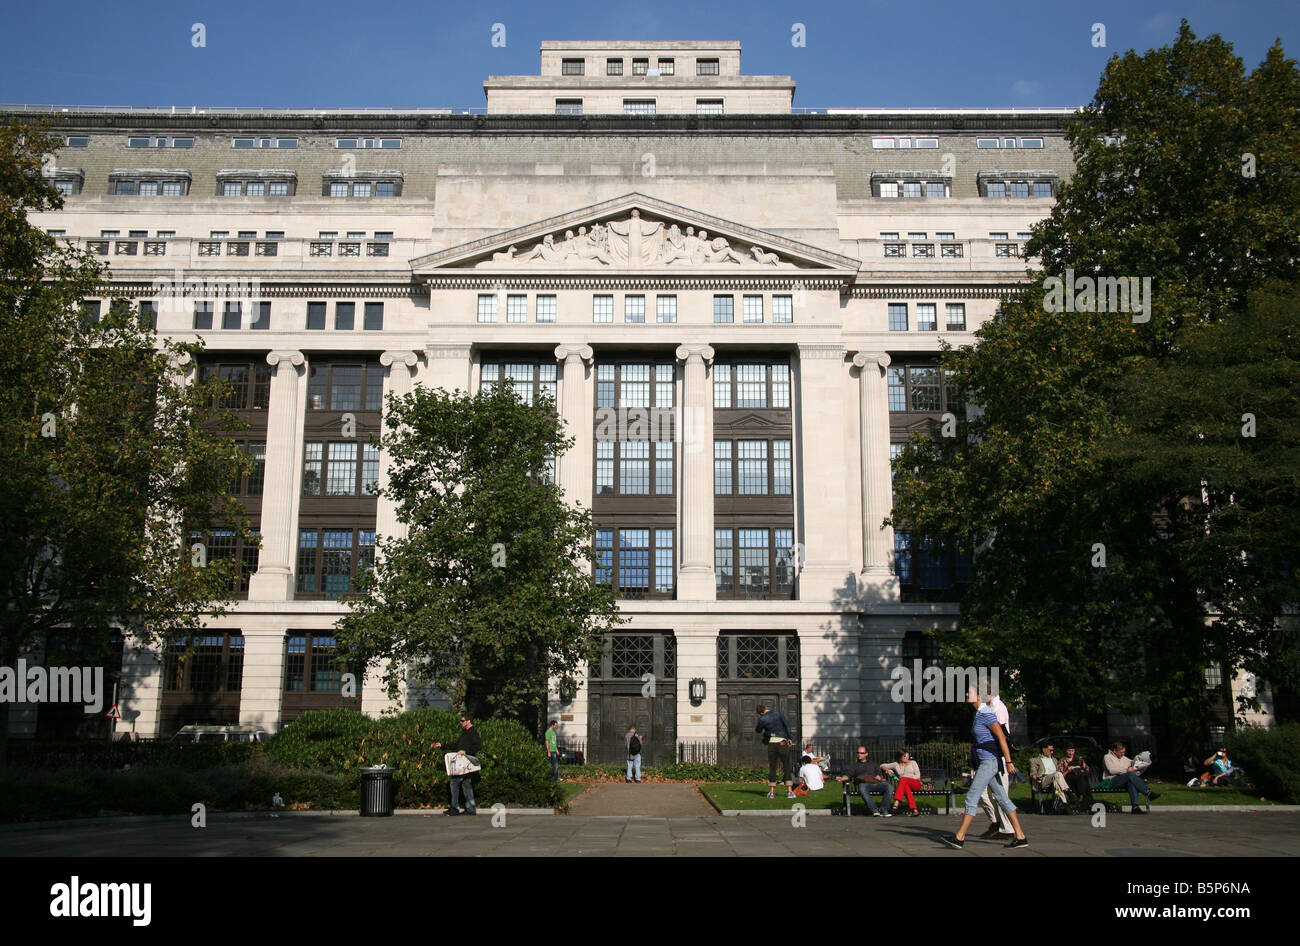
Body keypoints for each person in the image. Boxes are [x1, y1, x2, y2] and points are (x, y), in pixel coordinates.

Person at [943, 686, 1029, 849]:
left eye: (970, 692)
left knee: (972, 796)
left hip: (989, 762)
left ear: (979, 696)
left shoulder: (986, 713)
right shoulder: (979, 713)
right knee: (1002, 798)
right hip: (987, 761)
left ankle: (959, 837)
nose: (966, 693)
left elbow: (1001, 737)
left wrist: (1009, 762)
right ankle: (1020, 836)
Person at [976, 692, 1015, 839]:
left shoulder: (999, 708)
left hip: (998, 757)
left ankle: (1007, 828)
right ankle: (996, 821)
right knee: (982, 793)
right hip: (988, 756)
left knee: (1001, 794)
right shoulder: (986, 708)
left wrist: (1008, 761)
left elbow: (1002, 736)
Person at [433, 714, 483, 816]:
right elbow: (456, 745)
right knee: (466, 784)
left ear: (468, 721)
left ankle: (455, 808)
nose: (461, 723)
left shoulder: (472, 732)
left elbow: (478, 746)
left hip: (465, 764)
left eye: (462, 721)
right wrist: (442, 745)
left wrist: (466, 751)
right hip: (463, 765)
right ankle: (470, 809)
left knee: (454, 782)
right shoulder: (465, 733)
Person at [1102, 742, 1161, 813]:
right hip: (1111, 781)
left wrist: (1142, 762)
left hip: (1123, 780)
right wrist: (1127, 769)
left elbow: (1133, 763)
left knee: (1131, 781)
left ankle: (1135, 807)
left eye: (1124, 752)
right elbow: (1111, 770)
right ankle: (1148, 793)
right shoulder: (1107, 757)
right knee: (1129, 775)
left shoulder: (1123, 758)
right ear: (1114, 751)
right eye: (1121, 752)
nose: (1123, 754)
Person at [834, 746, 893, 816]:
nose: (859, 754)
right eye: (858, 753)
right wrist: (841, 778)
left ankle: (884, 809)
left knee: (888, 786)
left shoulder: (873, 764)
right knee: (862, 787)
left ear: (866, 754)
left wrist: (879, 777)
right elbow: (848, 775)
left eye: (862, 753)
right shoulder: (855, 766)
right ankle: (874, 810)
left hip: (876, 783)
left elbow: (879, 775)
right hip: (865, 785)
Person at [755, 704, 795, 799]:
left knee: (773, 767)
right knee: (787, 766)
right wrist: (789, 738)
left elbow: (758, 730)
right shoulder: (778, 713)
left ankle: (772, 792)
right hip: (782, 741)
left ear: (761, 713)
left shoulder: (762, 719)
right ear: (765, 708)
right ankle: (790, 791)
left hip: (772, 743)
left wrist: (767, 733)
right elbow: (786, 725)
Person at [880, 750, 923, 816]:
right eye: (904, 756)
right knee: (906, 788)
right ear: (900, 757)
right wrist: (888, 770)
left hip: (915, 783)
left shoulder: (913, 763)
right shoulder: (896, 764)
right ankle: (914, 809)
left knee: (902, 780)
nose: (907, 757)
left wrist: (906, 778)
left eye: (908, 755)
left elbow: (918, 776)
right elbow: (882, 765)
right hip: (904, 784)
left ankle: (897, 801)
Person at [1030, 743, 1072, 810]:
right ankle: (1069, 793)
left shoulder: (1054, 759)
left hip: (1055, 780)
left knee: (1057, 784)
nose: (1052, 752)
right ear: (1044, 749)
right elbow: (1033, 772)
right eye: (1050, 750)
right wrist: (1034, 775)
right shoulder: (1034, 760)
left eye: (1053, 750)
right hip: (1043, 780)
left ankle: (1065, 805)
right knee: (1057, 774)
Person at [1059, 744, 1095, 810]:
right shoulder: (1062, 761)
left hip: (1080, 780)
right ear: (1066, 751)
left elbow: (1087, 769)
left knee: (1082, 778)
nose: (1071, 753)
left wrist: (1079, 768)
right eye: (1069, 751)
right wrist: (1068, 770)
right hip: (1068, 782)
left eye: (1072, 751)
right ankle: (1087, 801)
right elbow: (1060, 776)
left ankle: (1081, 798)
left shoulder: (1079, 759)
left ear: (1074, 751)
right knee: (1083, 781)